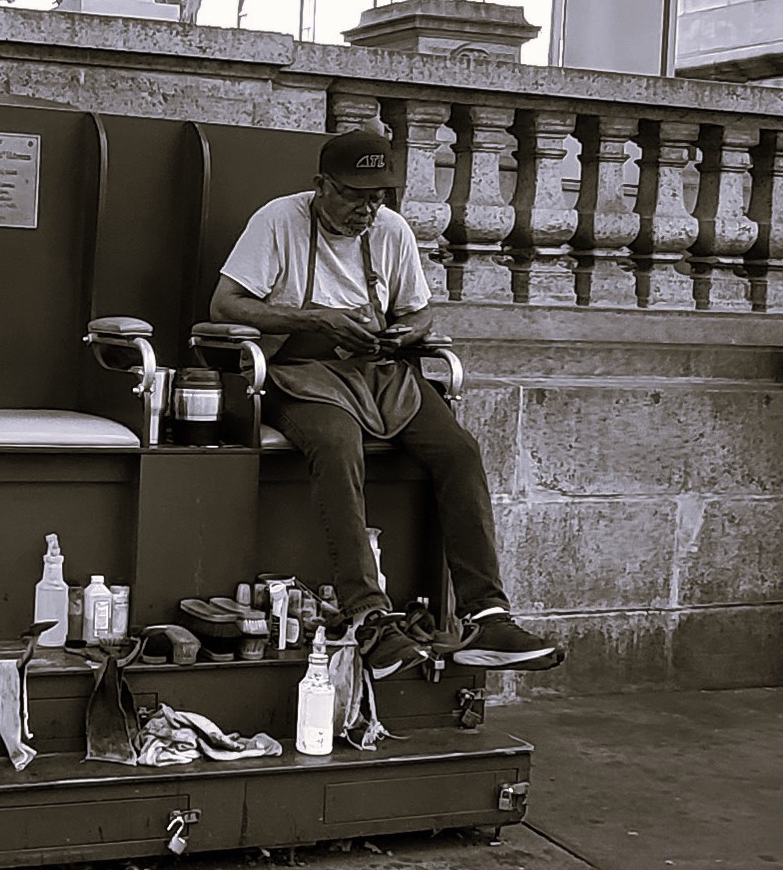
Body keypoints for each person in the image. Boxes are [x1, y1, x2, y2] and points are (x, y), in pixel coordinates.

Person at [210, 127, 563, 682]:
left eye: (377, 197)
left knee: (459, 451)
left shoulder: (390, 229)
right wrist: (315, 319)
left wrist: (404, 333)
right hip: (298, 372)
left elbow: (420, 311)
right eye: (355, 195)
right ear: (321, 185)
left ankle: (487, 617)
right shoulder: (278, 220)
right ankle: (368, 617)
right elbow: (225, 304)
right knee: (336, 442)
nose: (367, 209)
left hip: (378, 368)